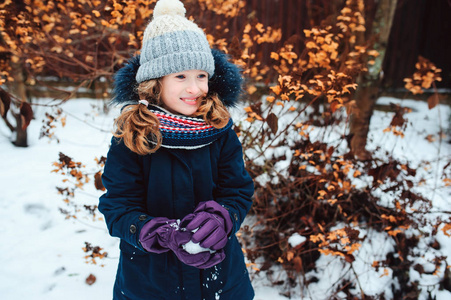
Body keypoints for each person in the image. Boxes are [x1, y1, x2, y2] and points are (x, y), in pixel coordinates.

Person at [98, 0, 255, 299]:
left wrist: (223, 218)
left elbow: (238, 192)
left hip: (220, 278)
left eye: (201, 76)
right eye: (181, 77)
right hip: (151, 281)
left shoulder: (220, 130)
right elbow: (117, 206)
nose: (195, 88)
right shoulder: (132, 136)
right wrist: (146, 230)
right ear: (155, 82)